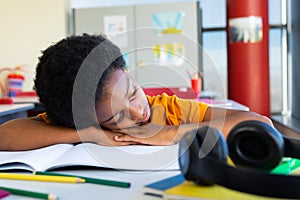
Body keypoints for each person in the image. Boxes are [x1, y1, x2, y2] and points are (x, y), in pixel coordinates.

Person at [0, 34, 272, 151]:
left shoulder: (168, 110)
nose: (138, 111)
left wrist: (169, 133)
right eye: (115, 117)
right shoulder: (79, 122)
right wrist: (92, 135)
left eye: (132, 93)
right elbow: (4, 135)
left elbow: (260, 124)